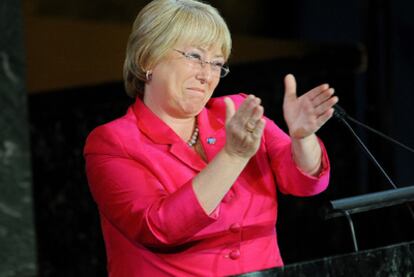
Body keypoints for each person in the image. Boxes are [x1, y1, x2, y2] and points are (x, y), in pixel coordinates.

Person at [84, 0, 339, 276]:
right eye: (194, 56)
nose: (206, 75)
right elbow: (159, 228)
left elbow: (305, 183)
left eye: (217, 63)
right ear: (148, 60)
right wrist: (233, 156)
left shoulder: (236, 113)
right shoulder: (112, 142)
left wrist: (302, 138)